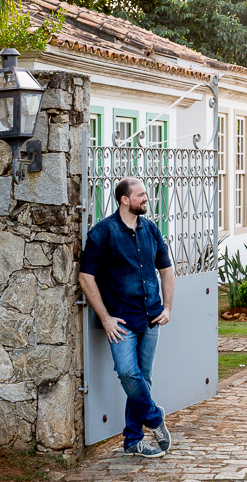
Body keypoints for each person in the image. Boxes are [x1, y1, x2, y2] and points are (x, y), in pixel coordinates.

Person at [79, 177, 175, 458]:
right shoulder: (103, 233)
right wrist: (106, 318)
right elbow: (86, 278)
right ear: (124, 199)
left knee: (143, 379)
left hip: (152, 317)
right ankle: (156, 418)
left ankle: (133, 440)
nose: (147, 199)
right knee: (127, 373)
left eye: (146, 195)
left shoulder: (151, 229)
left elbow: (166, 270)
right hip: (121, 321)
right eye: (141, 195)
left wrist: (167, 307)